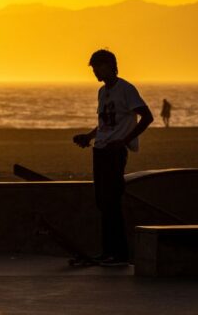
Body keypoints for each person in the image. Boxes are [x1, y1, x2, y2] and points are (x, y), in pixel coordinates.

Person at [72, 49, 153, 266]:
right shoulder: (102, 92)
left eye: (98, 66)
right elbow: (105, 123)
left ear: (110, 66)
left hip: (114, 153)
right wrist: (88, 137)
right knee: (102, 202)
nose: (95, 71)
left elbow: (147, 117)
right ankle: (107, 251)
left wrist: (124, 141)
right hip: (100, 150)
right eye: (93, 68)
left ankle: (120, 254)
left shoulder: (126, 89)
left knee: (112, 202)